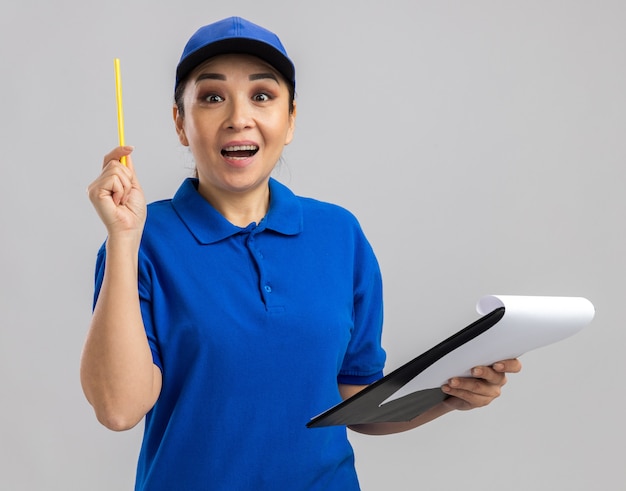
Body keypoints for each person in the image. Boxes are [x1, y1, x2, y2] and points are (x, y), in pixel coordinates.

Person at [81, 16, 521, 491]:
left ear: (289, 120)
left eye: (262, 96)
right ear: (180, 124)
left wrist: (449, 395)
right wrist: (124, 238)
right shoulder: (143, 239)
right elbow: (119, 408)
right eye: (211, 97)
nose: (238, 116)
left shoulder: (339, 234)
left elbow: (355, 399)